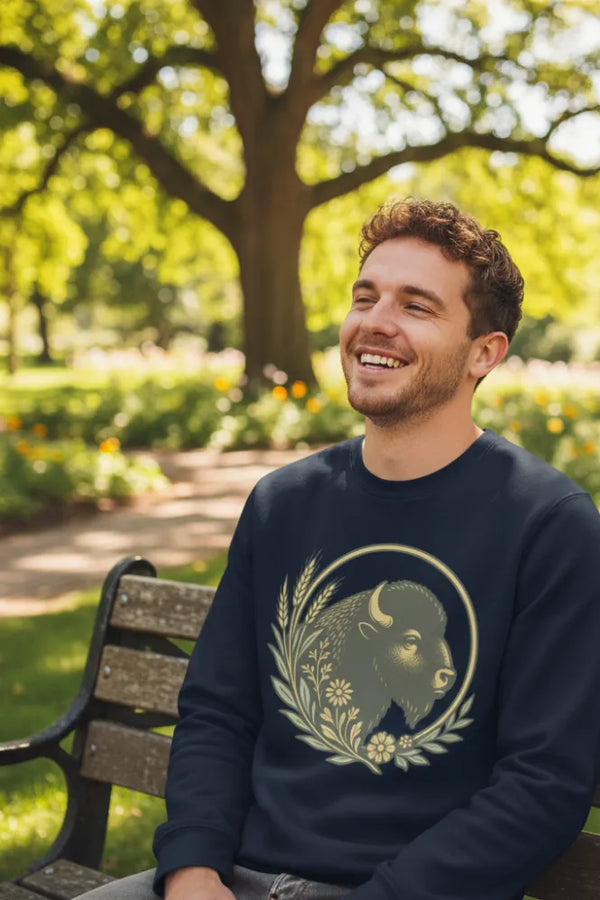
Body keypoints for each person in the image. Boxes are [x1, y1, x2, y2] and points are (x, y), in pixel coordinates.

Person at [80, 199, 600, 900]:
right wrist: (193, 867)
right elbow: (218, 711)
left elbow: (544, 782)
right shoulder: (283, 503)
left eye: (416, 305)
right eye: (365, 297)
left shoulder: (548, 525)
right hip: (231, 878)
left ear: (484, 352)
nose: (375, 321)